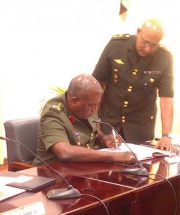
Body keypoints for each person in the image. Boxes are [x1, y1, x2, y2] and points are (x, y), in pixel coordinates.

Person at [92, 18, 173, 150]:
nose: (147, 49)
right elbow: (97, 86)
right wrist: (93, 120)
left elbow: (166, 98)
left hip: (140, 130)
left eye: (154, 45)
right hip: (109, 124)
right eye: (145, 42)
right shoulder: (116, 46)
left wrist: (166, 135)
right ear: (138, 32)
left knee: (141, 167)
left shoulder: (164, 58)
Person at [33, 73, 136, 166]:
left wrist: (104, 138)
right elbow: (65, 152)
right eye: (92, 106)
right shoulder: (53, 113)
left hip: (82, 170)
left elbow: (92, 130)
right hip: (53, 175)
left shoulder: (86, 105)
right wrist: (111, 156)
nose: (95, 109)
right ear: (74, 101)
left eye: (97, 105)